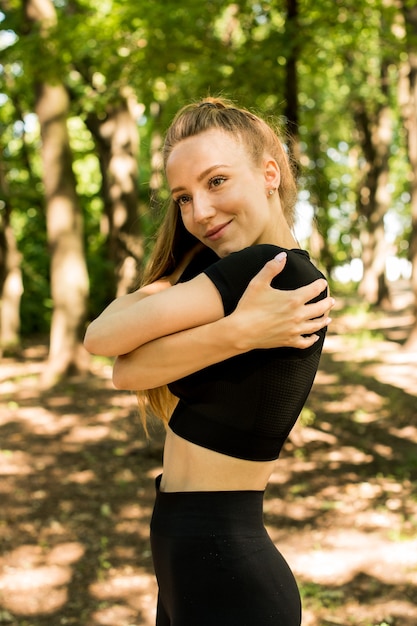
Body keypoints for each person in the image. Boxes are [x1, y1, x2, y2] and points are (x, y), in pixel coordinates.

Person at [84, 97, 334, 626]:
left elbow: (101, 336)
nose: (198, 213)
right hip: (196, 564)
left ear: (269, 174)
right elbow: (126, 371)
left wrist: (231, 325)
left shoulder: (271, 271)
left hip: (227, 574)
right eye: (183, 198)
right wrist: (236, 330)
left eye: (216, 181)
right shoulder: (245, 282)